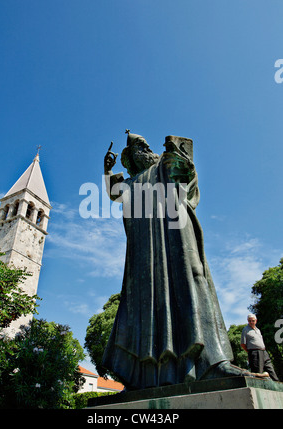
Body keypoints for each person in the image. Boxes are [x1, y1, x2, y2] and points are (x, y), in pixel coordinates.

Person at [102, 131, 251, 390]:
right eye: (140, 146)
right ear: (130, 157)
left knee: (191, 280)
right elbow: (114, 193)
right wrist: (106, 171)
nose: (146, 148)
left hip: (176, 234)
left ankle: (211, 363)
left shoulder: (164, 166)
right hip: (144, 249)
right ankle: (143, 375)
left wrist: (178, 154)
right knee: (144, 303)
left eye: (147, 145)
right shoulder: (132, 182)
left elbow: (187, 175)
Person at [241, 314, 280, 381]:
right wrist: (250, 352)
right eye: (249, 321)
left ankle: (277, 383)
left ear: (256, 321)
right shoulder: (245, 329)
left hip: (264, 352)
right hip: (254, 353)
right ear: (248, 321)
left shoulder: (258, 330)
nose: (251, 322)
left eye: (253, 321)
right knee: (258, 372)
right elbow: (242, 344)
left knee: (270, 368)